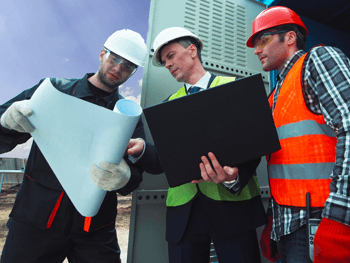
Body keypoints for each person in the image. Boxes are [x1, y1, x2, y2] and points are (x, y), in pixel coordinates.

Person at [0, 29, 151, 263]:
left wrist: (125, 176)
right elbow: (5, 134)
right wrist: (5, 120)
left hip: (95, 228)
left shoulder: (127, 115)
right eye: (115, 59)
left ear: (133, 73)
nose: (118, 69)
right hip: (36, 221)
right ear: (102, 54)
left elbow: (136, 173)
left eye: (128, 66)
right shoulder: (54, 91)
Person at [129, 27, 267, 263]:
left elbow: (253, 144)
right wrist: (141, 150)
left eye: (171, 55)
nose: (168, 64)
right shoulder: (168, 105)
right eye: (164, 61)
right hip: (184, 215)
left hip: (231, 208)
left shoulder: (233, 87)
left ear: (192, 50)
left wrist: (234, 176)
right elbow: (165, 161)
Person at [246, 6, 350, 263]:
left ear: (290, 37)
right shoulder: (274, 96)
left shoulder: (318, 60)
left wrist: (339, 220)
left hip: (320, 219)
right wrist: (274, 220)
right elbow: (284, 165)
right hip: (289, 226)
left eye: (263, 40)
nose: (257, 50)